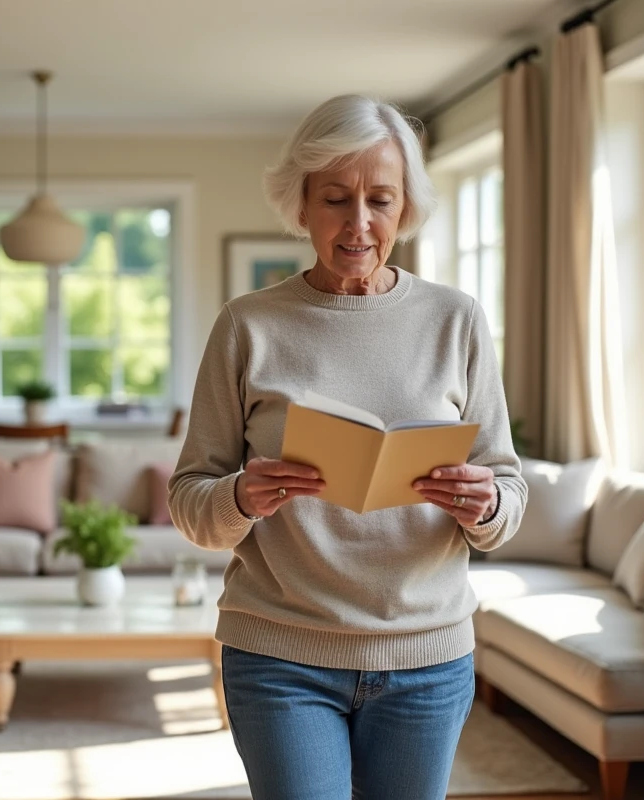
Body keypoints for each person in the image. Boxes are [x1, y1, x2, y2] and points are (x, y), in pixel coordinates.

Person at [167, 94, 527, 800]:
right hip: (280, 654)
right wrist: (240, 496)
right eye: (335, 198)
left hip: (427, 658)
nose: (359, 222)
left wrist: (484, 504)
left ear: (405, 207)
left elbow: (508, 493)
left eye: (380, 200)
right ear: (301, 204)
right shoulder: (247, 325)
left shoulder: (456, 320)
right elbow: (189, 501)